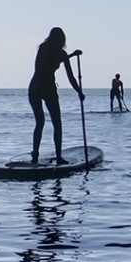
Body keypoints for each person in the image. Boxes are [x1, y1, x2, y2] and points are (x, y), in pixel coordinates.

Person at [28, 27, 84, 163]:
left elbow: (50, 62)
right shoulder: (61, 54)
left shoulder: (43, 48)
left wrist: (70, 55)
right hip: (48, 88)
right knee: (57, 124)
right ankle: (59, 158)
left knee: (39, 122)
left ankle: (35, 156)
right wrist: (79, 92)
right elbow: (70, 77)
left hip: (34, 86)